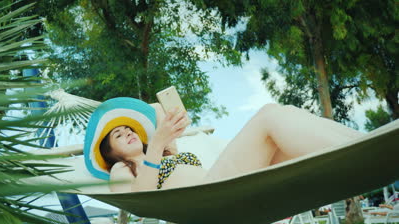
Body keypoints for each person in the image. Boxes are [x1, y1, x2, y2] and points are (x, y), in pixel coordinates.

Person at [83, 97, 363, 193]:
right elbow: (139, 198)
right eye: (118, 135)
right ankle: (359, 152)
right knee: (268, 115)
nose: (128, 133)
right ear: (110, 153)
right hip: (211, 195)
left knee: (283, 115)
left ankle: (365, 144)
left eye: (130, 129)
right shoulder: (121, 168)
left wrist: (163, 130)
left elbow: (156, 108)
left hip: (224, 184)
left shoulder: (166, 151)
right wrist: (155, 142)